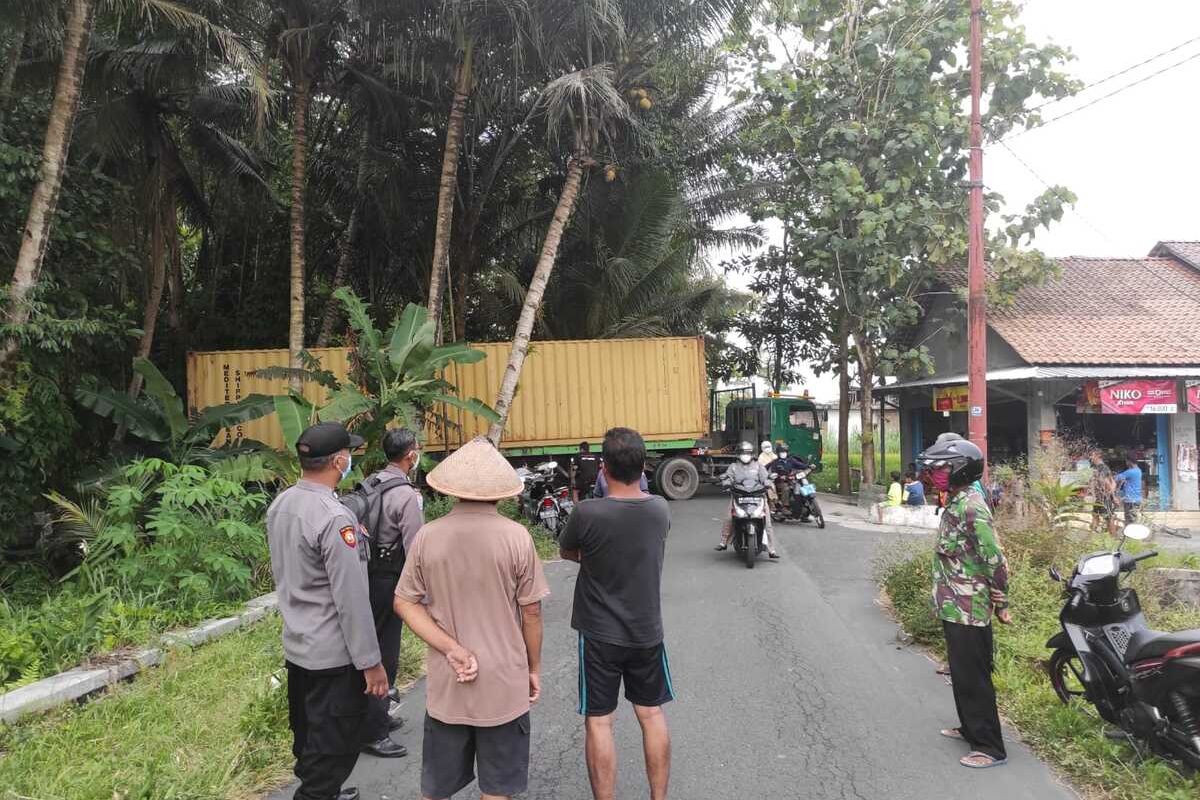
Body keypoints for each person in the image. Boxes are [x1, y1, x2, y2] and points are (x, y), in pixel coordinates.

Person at [394, 437, 549, 800]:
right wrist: (533, 668)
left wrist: (451, 648)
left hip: (449, 685)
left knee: (436, 789)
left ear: (452, 491)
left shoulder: (427, 537)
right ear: (501, 492)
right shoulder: (517, 538)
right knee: (497, 789)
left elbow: (404, 603)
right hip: (504, 683)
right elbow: (532, 611)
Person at [267, 422, 390, 800]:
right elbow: (351, 599)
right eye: (348, 454)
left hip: (299, 648)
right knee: (334, 746)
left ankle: (323, 790)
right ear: (339, 461)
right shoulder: (335, 518)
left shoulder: (282, 504)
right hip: (333, 658)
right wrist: (371, 662)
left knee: (308, 738)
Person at [559, 428, 673, 800]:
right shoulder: (659, 509)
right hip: (646, 632)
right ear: (643, 468)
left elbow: (568, 552)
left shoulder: (586, 512)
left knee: (600, 720)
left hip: (598, 634)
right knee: (652, 715)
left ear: (602, 468)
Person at [919, 436, 1011, 770]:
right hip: (954, 603)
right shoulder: (956, 499)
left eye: (942, 468)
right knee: (961, 672)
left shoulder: (972, 506)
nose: (934, 474)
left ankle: (989, 746)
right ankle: (970, 727)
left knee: (973, 675)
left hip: (970, 606)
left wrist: (1003, 601)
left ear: (960, 469)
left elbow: (994, 559)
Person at [358, 428, 424, 758]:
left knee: (369, 646)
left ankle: (375, 715)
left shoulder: (374, 482)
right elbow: (416, 548)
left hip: (366, 574)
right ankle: (374, 731)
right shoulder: (406, 496)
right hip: (389, 579)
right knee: (385, 654)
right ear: (410, 455)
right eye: (418, 449)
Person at [715, 441, 779, 559]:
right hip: (739, 496)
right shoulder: (733, 467)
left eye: (748, 453)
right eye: (743, 453)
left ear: (752, 454)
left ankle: (771, 549)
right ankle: (723, 542)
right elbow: (728, 477)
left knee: (767, 522)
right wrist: (726, 482)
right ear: (738, 455)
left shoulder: (758, 466)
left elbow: (765, 478)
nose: (745, 456)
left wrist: (768, 483)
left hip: (758, 496)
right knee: (728, 517)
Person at [1088, 450, 1117, 538]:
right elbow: (1113, 482)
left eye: (1092, 455)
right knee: (1095, 515)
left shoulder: (1102, 468)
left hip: (1104, 497)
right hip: (1099, 497)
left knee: (1109, 518)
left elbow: (1107, 482)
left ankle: (1113, 538)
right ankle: (1091, 538)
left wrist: (1112, 496)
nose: (1091, 457)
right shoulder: (1098, 468)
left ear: (1098, 456)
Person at [1115, 455, 1144, 526]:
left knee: (1129, 520)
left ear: (1129, 461)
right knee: (1133, 518)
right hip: (1136, 499)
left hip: (1130, 499)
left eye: (1126, 461)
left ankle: (1130, 535)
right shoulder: (1138, 470)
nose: (1126, 463)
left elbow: (1116, 478)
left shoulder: (1130, 472)